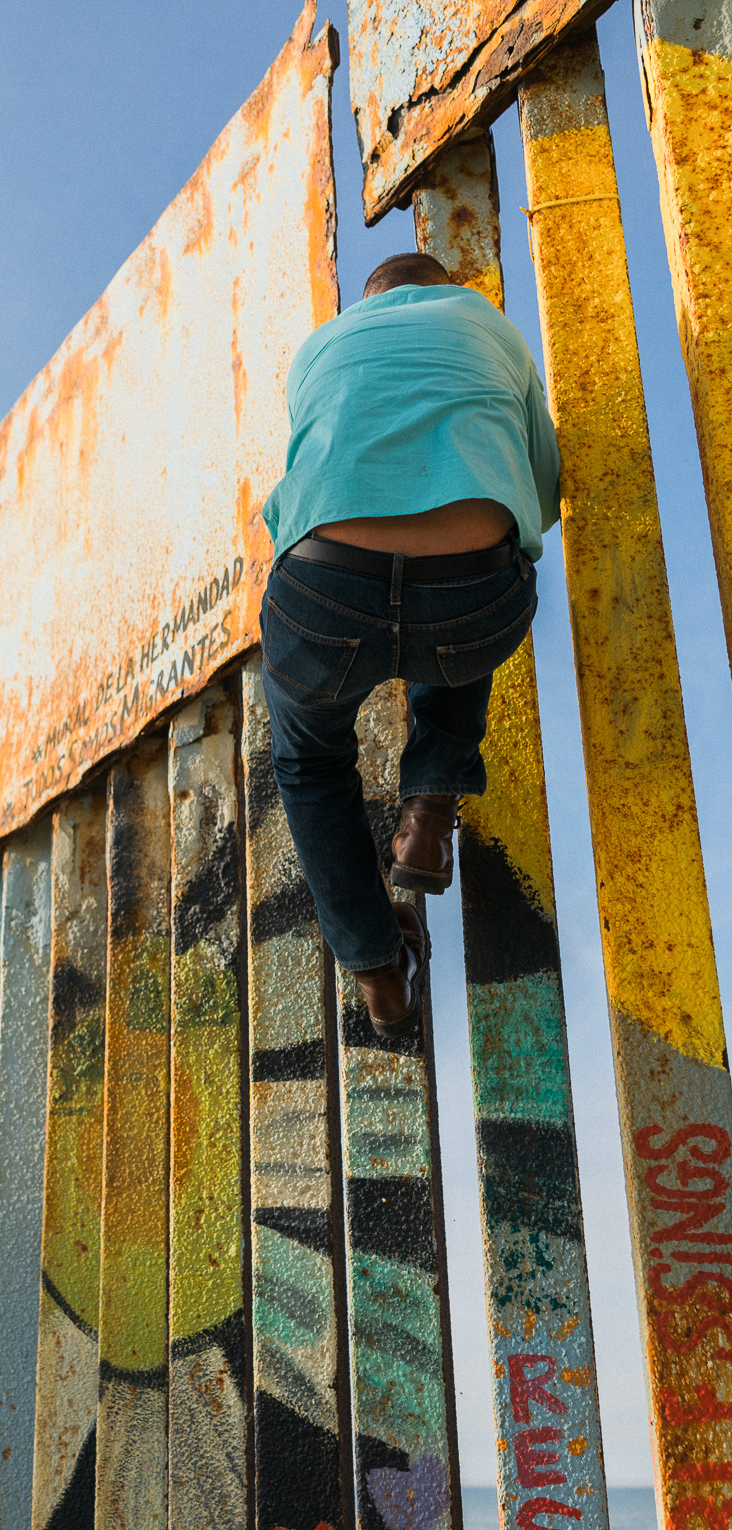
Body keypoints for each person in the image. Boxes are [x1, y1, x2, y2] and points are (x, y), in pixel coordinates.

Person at [260, 251, 560, 1035]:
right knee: (474, 601)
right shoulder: (490, 328)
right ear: (443, 289)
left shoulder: (317, 350)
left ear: (370, 302)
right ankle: (428, 806)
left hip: (323, 589)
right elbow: (542, 487)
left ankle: (374, 971)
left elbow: (294, 490)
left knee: (308, 763)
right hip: (470, 604)